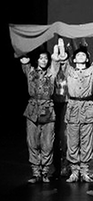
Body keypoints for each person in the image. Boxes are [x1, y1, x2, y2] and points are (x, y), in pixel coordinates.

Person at [54, 39, 93, 183]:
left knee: (87, 141)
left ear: (87, 59)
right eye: (78, 55)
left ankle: (85, 171)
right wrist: (61, 46)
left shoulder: (91, 71)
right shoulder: (69, 70)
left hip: (87, 107)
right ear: (74, 59)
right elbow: (63, 61)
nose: (80, 57)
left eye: (83, 55)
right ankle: (74, 171)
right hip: (73, 107)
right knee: (72, 141)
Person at [20, 45, 60, 183]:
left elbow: (56, 64)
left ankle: (45, 172)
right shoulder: (31, 71)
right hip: (32, 110)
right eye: (41, 58)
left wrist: (56, 53)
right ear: (37, 60)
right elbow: (24, 60)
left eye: (46, 58)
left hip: (48, 110)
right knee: (32, 142)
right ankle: (36, 172)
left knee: (47, 143)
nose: (43, 60)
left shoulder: (51, 73)